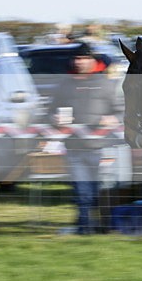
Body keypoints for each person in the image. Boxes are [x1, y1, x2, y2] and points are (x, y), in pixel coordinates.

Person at [50, 42, 119, 234]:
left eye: (84, 58)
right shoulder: (64, 85)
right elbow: (50, 111)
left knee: (101, 191)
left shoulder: (106, 84)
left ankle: (102, 225)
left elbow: (122, 111)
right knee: (82, 191)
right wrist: (54, 118)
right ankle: (84, 227)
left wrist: (113, 119)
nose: (79, 62)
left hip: (102, 148)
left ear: (93, 60)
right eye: (77, 58)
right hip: (75, 148)